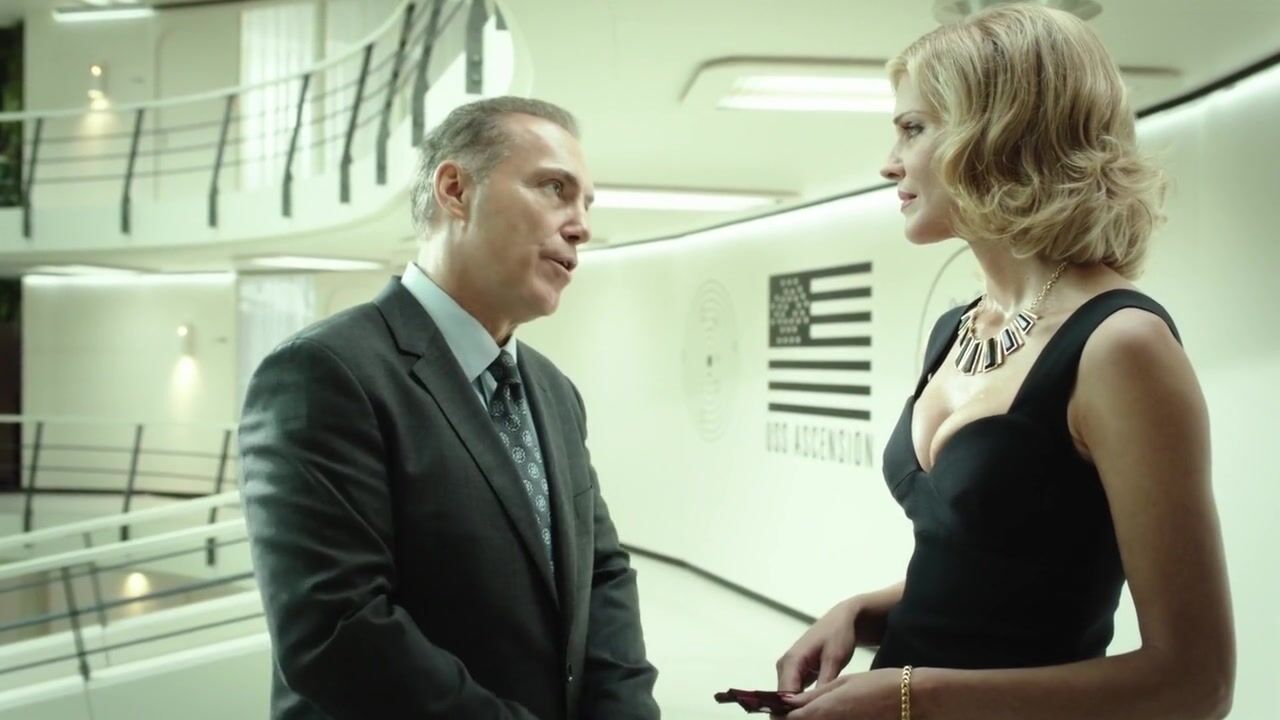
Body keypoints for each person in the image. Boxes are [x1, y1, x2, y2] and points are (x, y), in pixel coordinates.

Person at [774, 6, 1234, 719]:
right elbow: (1003, 575)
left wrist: (911, 695)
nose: (890, 162)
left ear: (999, 133)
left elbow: (1196, 683)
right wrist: (862, 612)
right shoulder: (955, 329)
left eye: (913, 128)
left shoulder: (1120, 346)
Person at [239, 96, 660, 720]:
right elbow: (339, 630)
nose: (580, 227)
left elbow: (600, 573)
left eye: (586, 204)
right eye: (555, 189)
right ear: (456, 191)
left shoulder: (554, 392)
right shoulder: (323, 373)